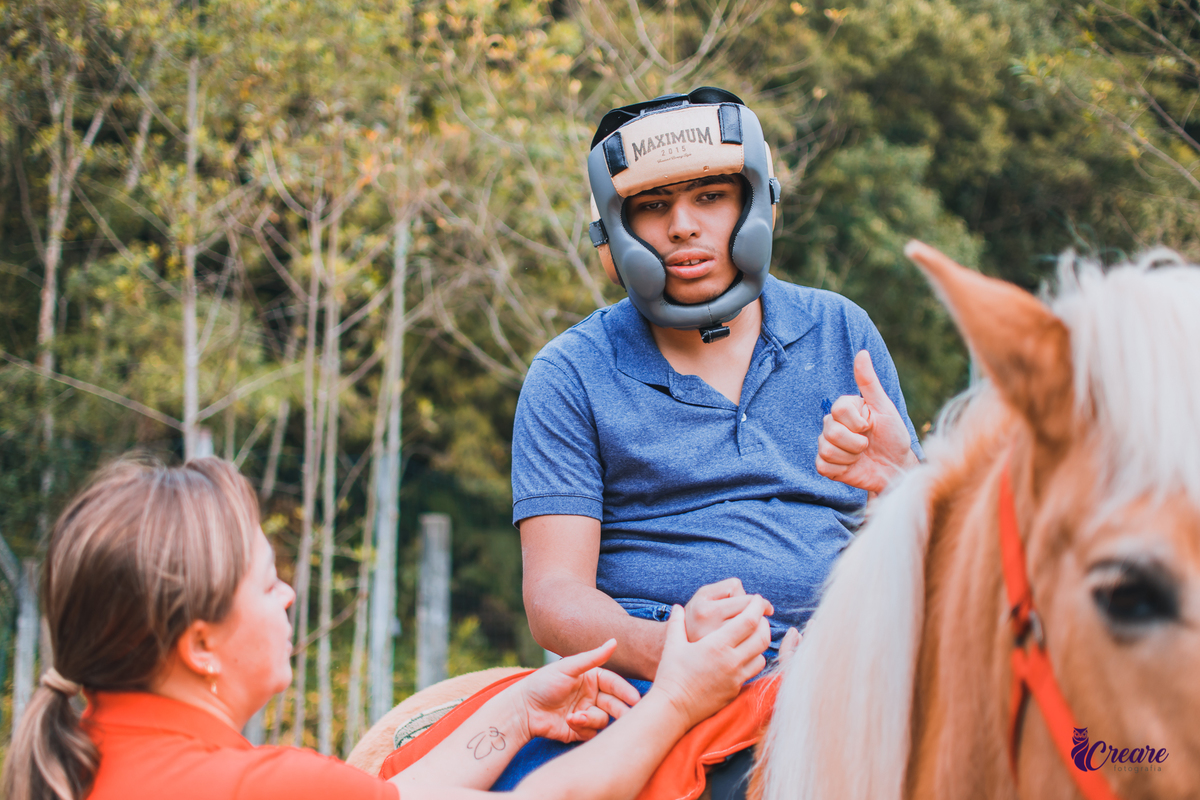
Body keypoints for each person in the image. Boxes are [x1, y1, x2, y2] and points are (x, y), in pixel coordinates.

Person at [2, 456, 771, 800]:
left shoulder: (79, 768)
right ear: (200, 645)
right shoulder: (255, 789)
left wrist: (515, 712)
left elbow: (387, 797)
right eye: (266, 584)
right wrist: (678, 696)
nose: (290, 595)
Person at [513, 87, 923, 682]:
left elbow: (931, 555)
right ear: (613, 235)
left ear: (757, 207)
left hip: (845, 670)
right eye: (652, 206)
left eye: (710, 197)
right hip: (654, 679)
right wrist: (669, 649)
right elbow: (554, 596)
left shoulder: (840, 330)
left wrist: (901, 477)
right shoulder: (569, 373)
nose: (683, 226)